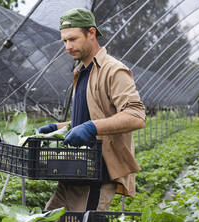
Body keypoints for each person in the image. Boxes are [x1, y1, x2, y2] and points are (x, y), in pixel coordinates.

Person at [38, 8, 146, 211]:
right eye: (64, 41)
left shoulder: (114, 70)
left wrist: (90, 128)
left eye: (73, 39)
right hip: (74, 170)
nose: (68, 47)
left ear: (91, 33)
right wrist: (58, 127)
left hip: (97, 173)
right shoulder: (82, 71)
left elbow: (136, 116)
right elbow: (94, 116)